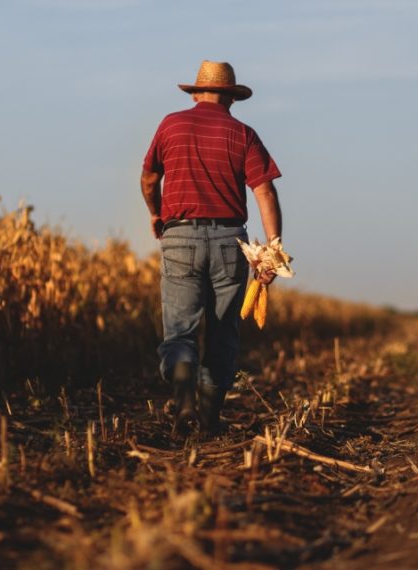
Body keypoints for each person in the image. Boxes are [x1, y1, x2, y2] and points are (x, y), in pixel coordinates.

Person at [140, 60, 285, 434]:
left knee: (181, 330)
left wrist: (156, 213)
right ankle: (209, 420)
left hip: (179, 236)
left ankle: (184, 402)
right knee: (223, 333)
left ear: (196, 92)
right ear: (231, 98)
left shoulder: (171, 124)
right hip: (228, 242)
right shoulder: (243, 134)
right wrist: (272, 248)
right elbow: (264, 190)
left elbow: (149, 177)